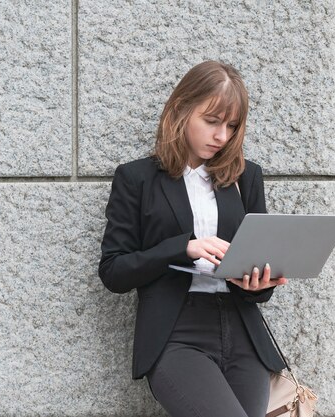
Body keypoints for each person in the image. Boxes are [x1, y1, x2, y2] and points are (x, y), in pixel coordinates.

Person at [98, 61, 289, 417]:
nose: (222, 136)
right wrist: (183, 248)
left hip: (241, 331)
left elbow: (259, 285)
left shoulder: (247, 178)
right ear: (181, 109)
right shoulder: (137, 179)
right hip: (177, 334)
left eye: (231, 126)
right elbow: (113, 270)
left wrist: (259, 282)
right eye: (212, 121)